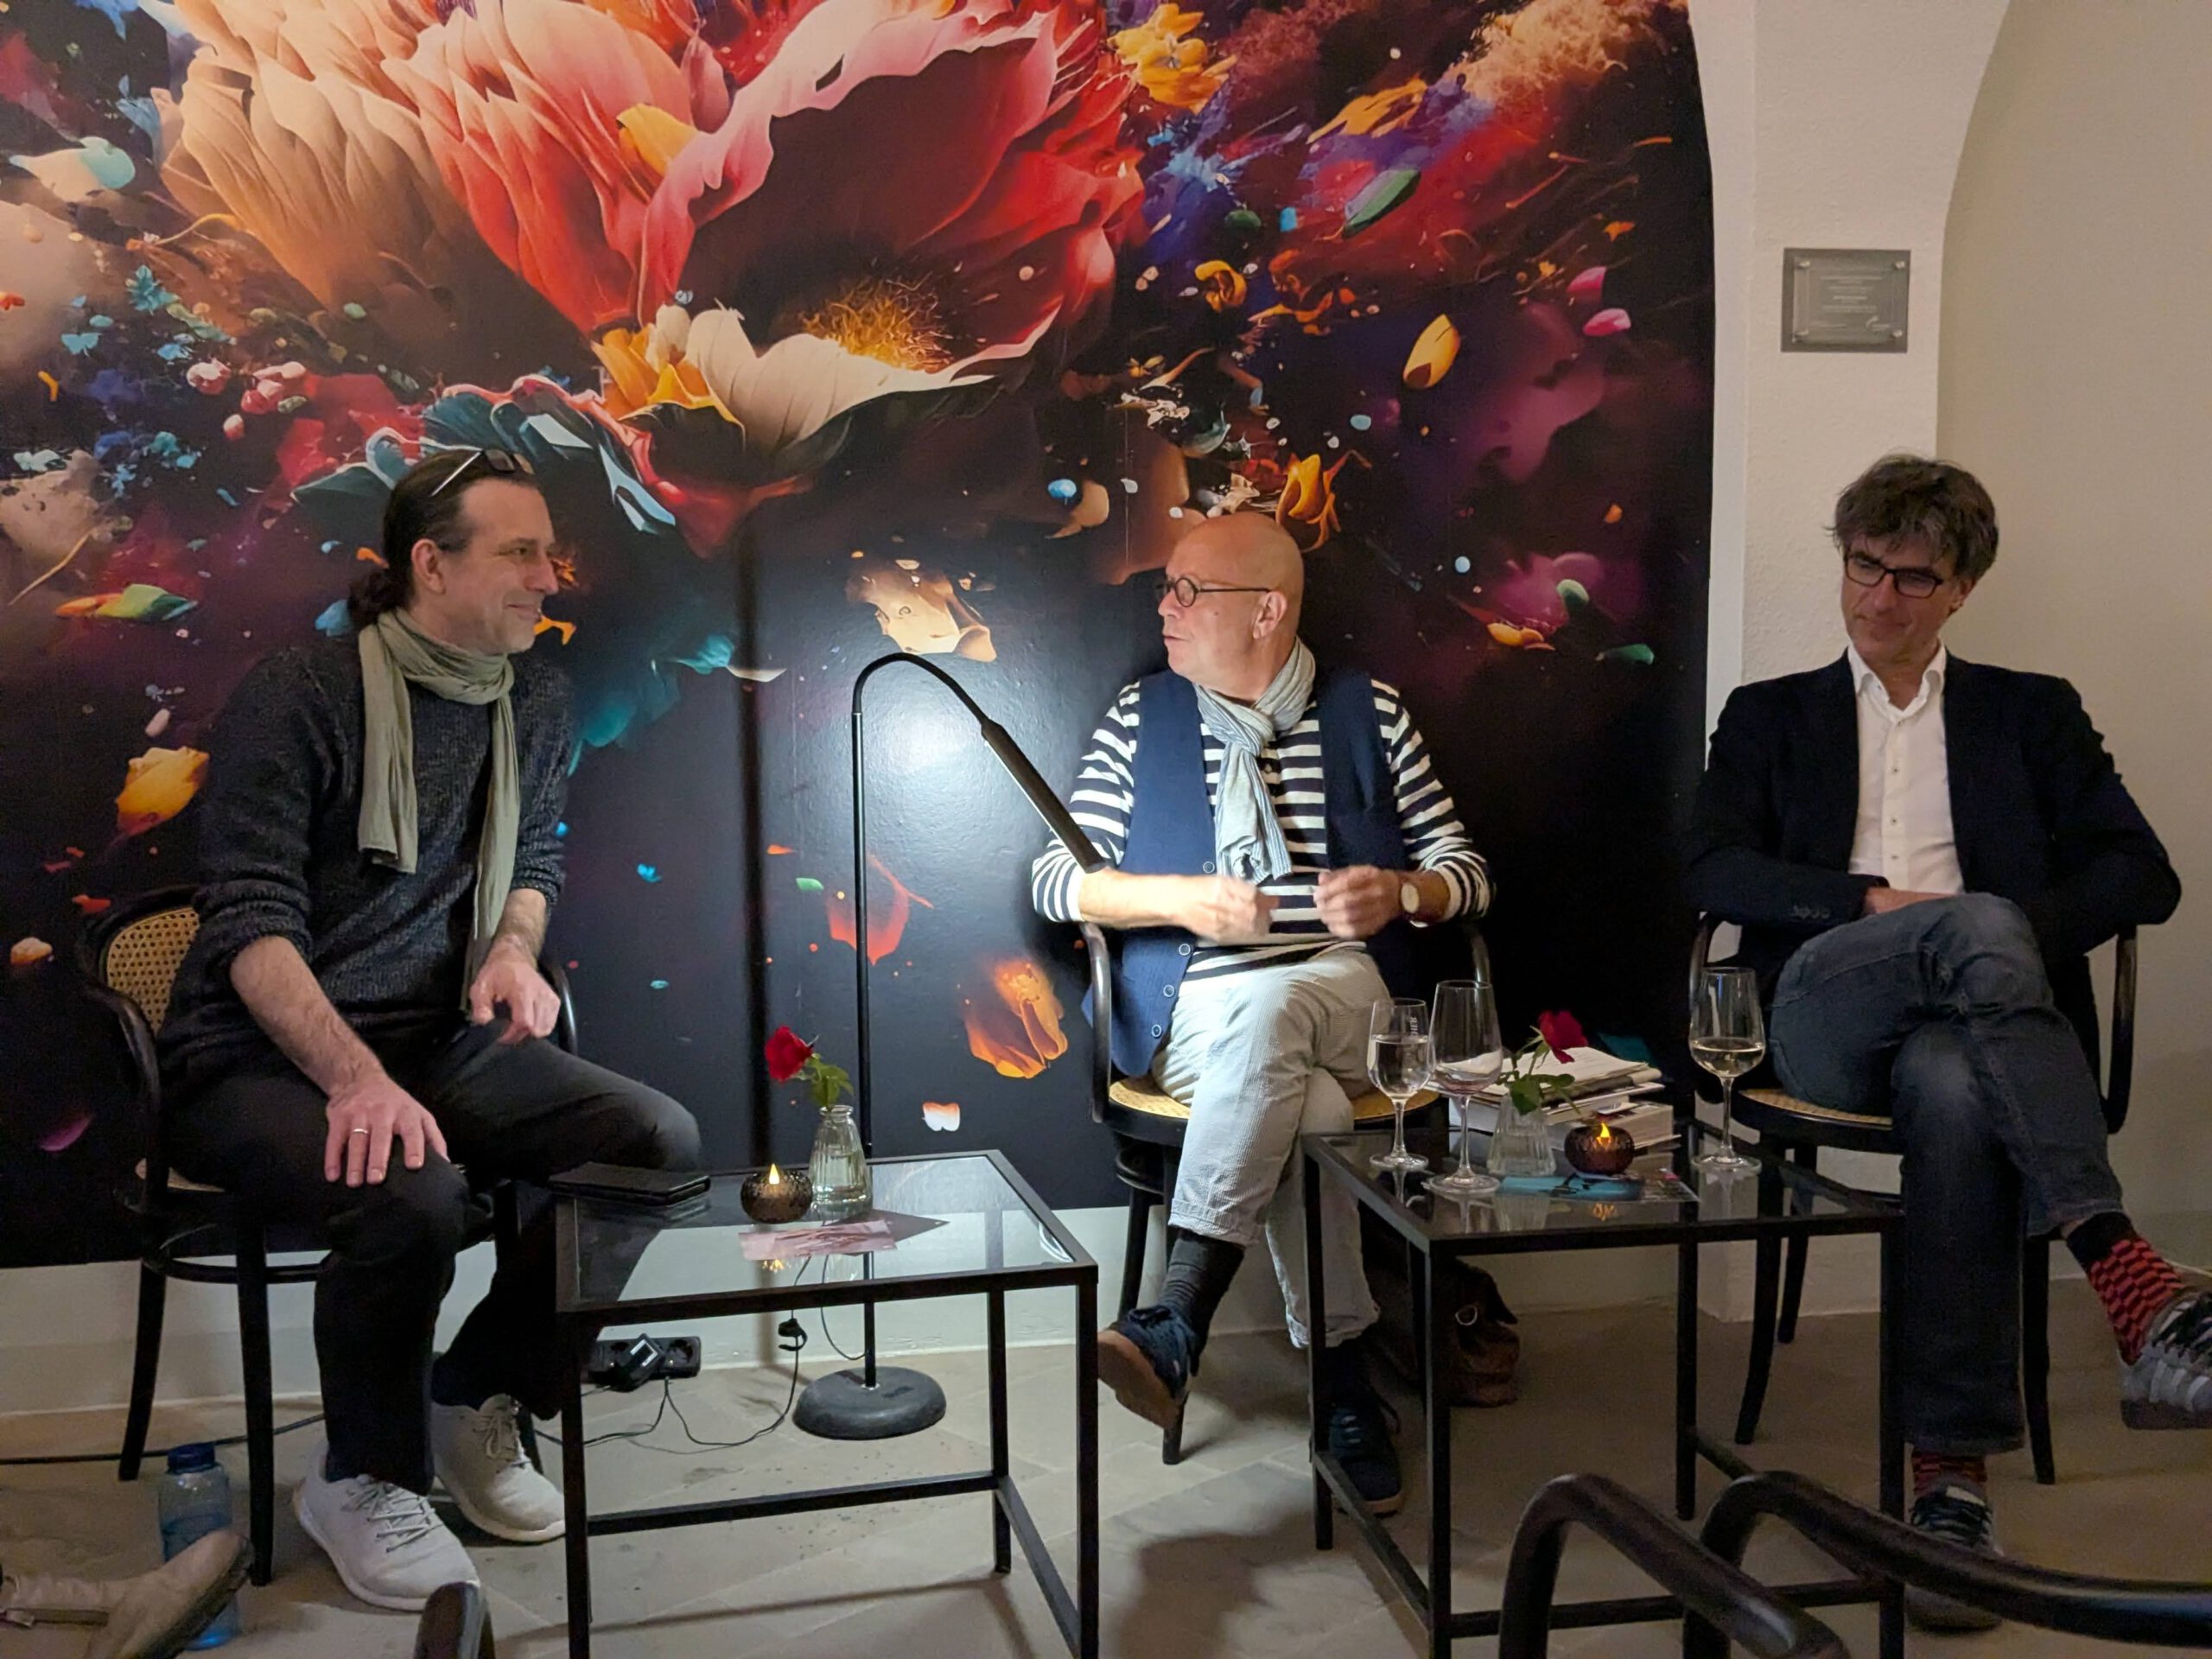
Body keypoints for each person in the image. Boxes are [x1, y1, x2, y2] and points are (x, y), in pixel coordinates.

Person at [158, 449, 701, 1612]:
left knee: (651, 1144)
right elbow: (250, 918)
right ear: (430, 565)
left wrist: (511, 949)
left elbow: (535, 857)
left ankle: (474, 1396)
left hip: (437, 1035)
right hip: (253, 1057)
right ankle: (361, 1475)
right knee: (412, 1194)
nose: (548, 576)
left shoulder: (535, 698)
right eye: (520, 552)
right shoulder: (299, 693)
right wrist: (355, 1081)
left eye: (550, 552)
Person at [1686, 454, 2202, 1630]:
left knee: (1959, 1087)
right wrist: (1872, 904)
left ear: (1962, 588)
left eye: (1913, 577)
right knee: (1969, 934)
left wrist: (1996, 939)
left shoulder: (2032, 712)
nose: (1880, 596)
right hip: (1825, 1008)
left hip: (1975, 1035)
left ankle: (1950, 1487)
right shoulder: (1770, 715)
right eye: (1864, 565)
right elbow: (1711, 867)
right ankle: (2125, 1273)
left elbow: (2143, 874)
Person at [1032, 513, 1492, 1513]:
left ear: (1266, 610)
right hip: (1194, 1010)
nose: (1164, 606)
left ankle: (1176, 1317)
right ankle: (1342, 1385)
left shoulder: (1368, 713)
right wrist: (1182, 900)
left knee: (1280, 999)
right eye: (1167, 587)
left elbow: (1466, 871)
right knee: (1306, 1103)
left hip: (1345, 991)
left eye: (1188, 590)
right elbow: (1057, 882)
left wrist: (1402, 893)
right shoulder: (1142, 717)